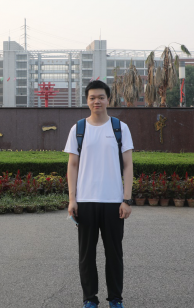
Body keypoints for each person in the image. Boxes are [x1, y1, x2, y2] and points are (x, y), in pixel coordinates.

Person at [64, 80, 134, 308]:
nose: (97, 101)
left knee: (114, 254)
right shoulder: (78, 129)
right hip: (85, 202)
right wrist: (72, 200)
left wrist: (126, 199)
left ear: (108, 100)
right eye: (92, 98)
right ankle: (89, 299)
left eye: (101, 97)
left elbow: (128, 165)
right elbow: (72, 165)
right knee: (86, 255)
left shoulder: (120, 128)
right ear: (87, 101)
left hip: (113, 202)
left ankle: (115, 299)